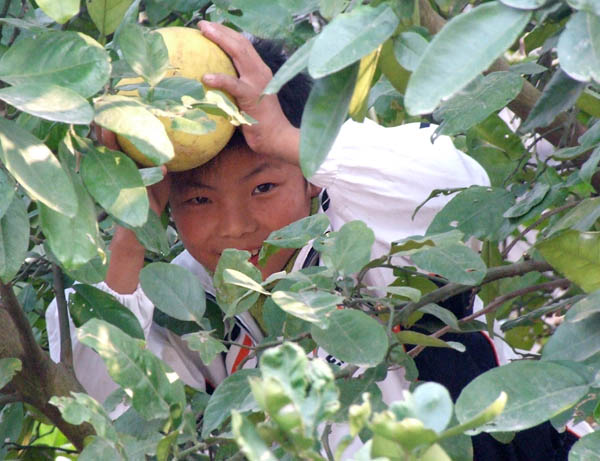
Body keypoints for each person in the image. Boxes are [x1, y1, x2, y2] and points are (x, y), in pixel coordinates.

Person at [46, 21, 578, 459]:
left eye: (264, 186)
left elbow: (458, 189)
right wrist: (130, 211)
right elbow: (99, 388)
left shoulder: (363, 233)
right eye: (198, 201)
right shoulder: (185, 304)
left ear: (309, 175)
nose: (235, 227)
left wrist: (286, 138)